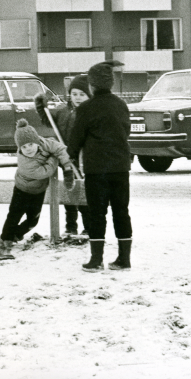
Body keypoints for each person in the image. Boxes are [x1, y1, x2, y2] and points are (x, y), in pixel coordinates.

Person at [67, 61, 132, 273]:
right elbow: (126, 131)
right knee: (121, 212)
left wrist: (71, 159)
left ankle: (96, 260)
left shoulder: (86, 109)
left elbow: (76, 139)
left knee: (97, 214)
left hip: (97, 170)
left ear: (92, 85)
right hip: (121, 168)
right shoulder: (121, 105)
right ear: (110, 84)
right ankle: (124, 259)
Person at [0, 119, 75, 260]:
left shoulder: (44, 143)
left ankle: (16, 234)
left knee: (33, 221)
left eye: (31, 144)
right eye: (24, 147)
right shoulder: (24, 162)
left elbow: (61, 149)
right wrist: (54, 158)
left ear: (37, 141)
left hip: (38, 192)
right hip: (22, 190)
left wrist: (67, 166)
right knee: (14, 216)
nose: (29, 149)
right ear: (20, 149)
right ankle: (4, 244)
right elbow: (45, 171)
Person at [34, 74, 91, 236]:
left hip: (81, 159)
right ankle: (70, 227)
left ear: (89, 95)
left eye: (82, 94)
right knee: (69, 194)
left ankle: (88, 227)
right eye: (74, 94)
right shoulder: (64, 112)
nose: (78, 98)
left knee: (82, 194)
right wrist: (41, 108)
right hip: (65, 160)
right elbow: (49, 121)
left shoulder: (89, 113)